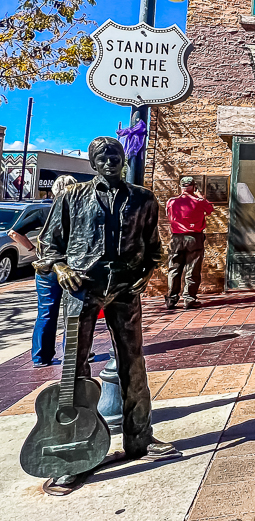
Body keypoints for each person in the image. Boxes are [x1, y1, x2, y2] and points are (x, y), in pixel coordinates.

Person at [34, 137, 178, 490]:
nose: (110, 160)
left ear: (124, 160)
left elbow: (154, 246)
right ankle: (76, 452)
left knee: (133, 361)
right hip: (82, 287)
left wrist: (145, 274)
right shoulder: (72, 196)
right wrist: (61, 268)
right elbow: (48, 244)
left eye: (115, 154)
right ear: (93, 163)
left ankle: (139, 437)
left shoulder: (143, 198)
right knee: (75, 367)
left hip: (125, 288)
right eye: (102, 156)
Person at [31, 175, 77, 367]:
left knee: (46, 312)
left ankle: (41, 356)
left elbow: (14, 232)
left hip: (46, 268)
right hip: (66, 267)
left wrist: (33, 251)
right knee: (72, 312)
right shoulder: (76, 211)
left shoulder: (44, 210)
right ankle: (71, 354)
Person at [164, 176, 214, 310]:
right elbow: (210, 210)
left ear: (181, 186)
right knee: (192, 269)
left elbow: (168, 215)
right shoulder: (199, 201)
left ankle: (171, 299)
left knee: (174, 268)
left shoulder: (172, 201)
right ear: (193, 186)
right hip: (194, 237)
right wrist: (200, 196)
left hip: (176, 238)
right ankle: (189, 299)